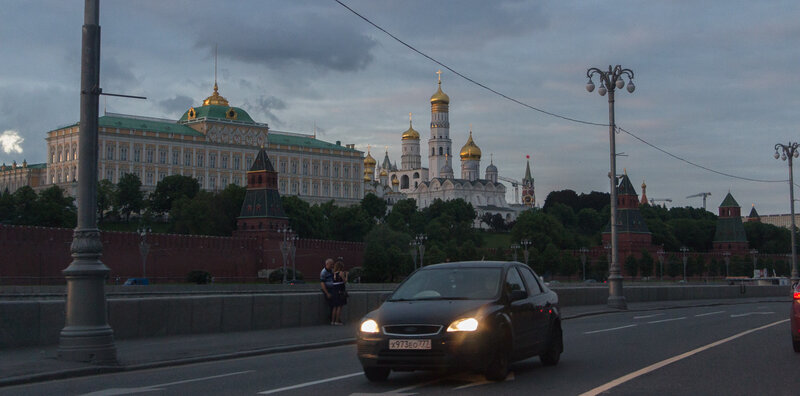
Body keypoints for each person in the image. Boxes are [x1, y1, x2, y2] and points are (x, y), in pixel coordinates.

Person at [331, 260, 349, 325]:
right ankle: (337, 321)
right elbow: (345, 281)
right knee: (339, 307)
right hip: (340, 291)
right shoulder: (341, 273)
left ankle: (332, 321)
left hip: (334, 291)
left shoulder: (333, 273)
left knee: (334, 307)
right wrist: (346, 275)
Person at [319, 258, 336, 325]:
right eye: (331, 264)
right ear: (327, 264)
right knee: (331, 304)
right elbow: (322, 283)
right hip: (328, 289)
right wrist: (327, 293)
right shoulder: (323, 272)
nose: (332, 265)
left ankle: (333, 318)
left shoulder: (332, 271)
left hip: (333, 289)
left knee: (334, 304)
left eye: (333, 264)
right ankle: (331, 318)